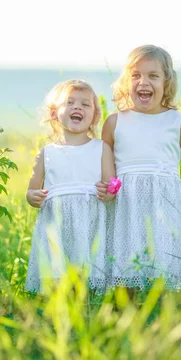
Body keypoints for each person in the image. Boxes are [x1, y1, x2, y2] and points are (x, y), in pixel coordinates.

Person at [99, 45, 181, 292]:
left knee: (170, 274)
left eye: (153, 75)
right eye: (135, 75)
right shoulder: (114, 122)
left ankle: (171, 312)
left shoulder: (176, 122)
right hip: (128, 209)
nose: (143, 82)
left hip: (166, 208)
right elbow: (103, 169)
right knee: (127, 276)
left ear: (166, 82)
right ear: (126, 81)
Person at [25, 79, 116, 293]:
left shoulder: (101, 148)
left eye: (85, 105)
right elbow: (31, 189)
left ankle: (88, 305)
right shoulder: (47, 153)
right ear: (55, 112)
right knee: (57, 269)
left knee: (88, 266)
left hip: (90, 219)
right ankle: (58, 309)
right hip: (57, 221)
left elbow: (111, 183)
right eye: (70, 102)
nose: (77, 107)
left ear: (94, 116)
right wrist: (33, 196)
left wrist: (108, 192)